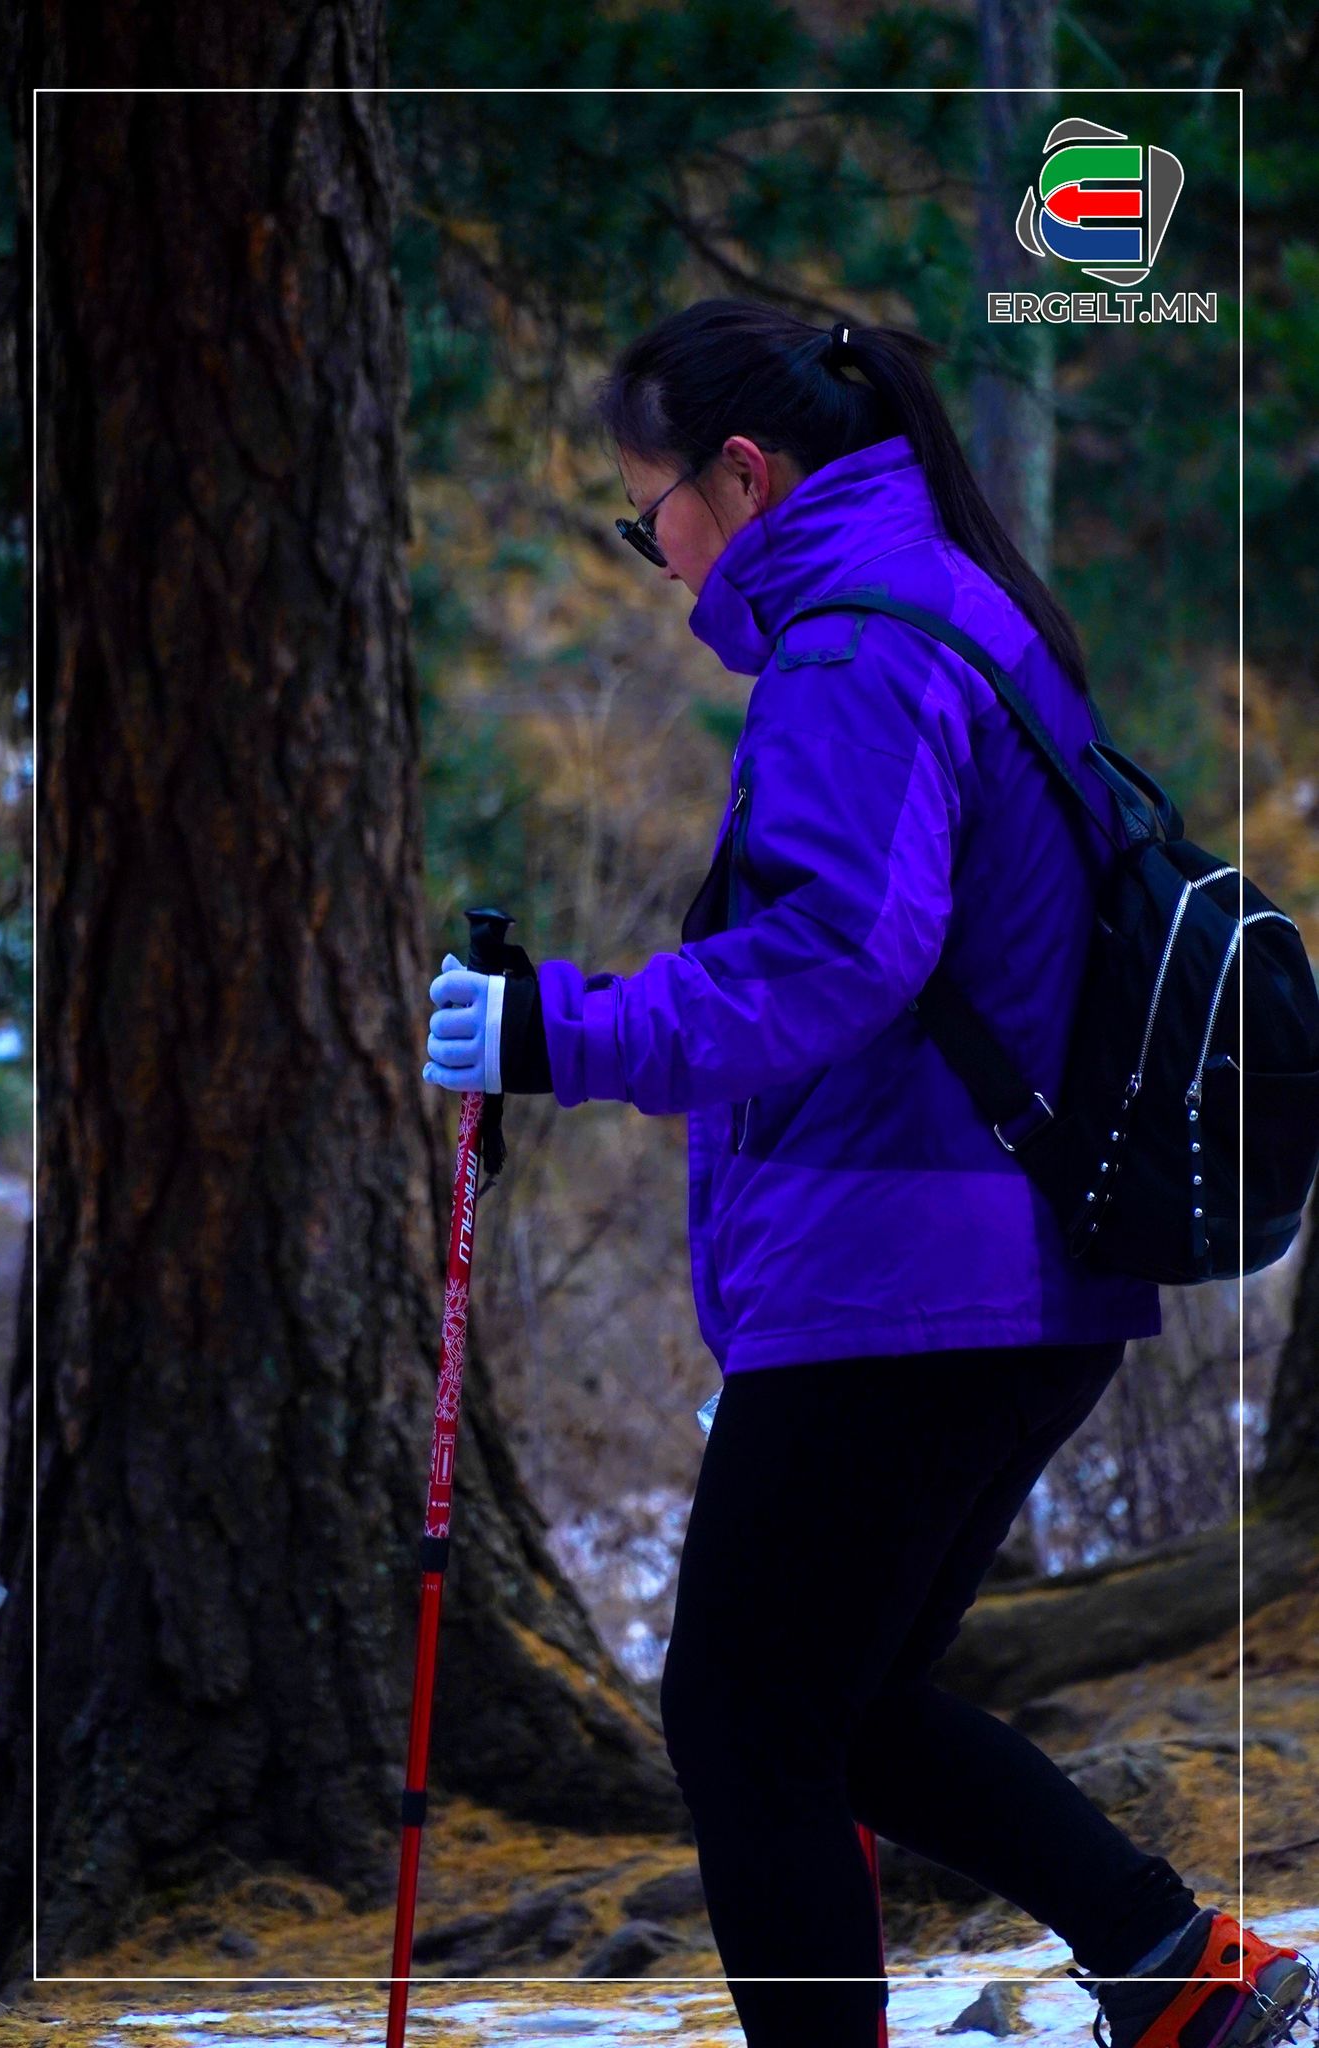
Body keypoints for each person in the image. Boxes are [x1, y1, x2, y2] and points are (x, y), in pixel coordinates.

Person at [420, 298, 1318, 2048]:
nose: (661, 560)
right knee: (841, 1704)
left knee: (746, 1718)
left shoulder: (858, 647)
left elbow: (838, 952)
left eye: (651, 517)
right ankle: (1175, 1976)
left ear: (741, 476)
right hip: (997, 1268)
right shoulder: (951, 604)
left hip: (909, 1278)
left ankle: (1161, 1981)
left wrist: (559, 1030)